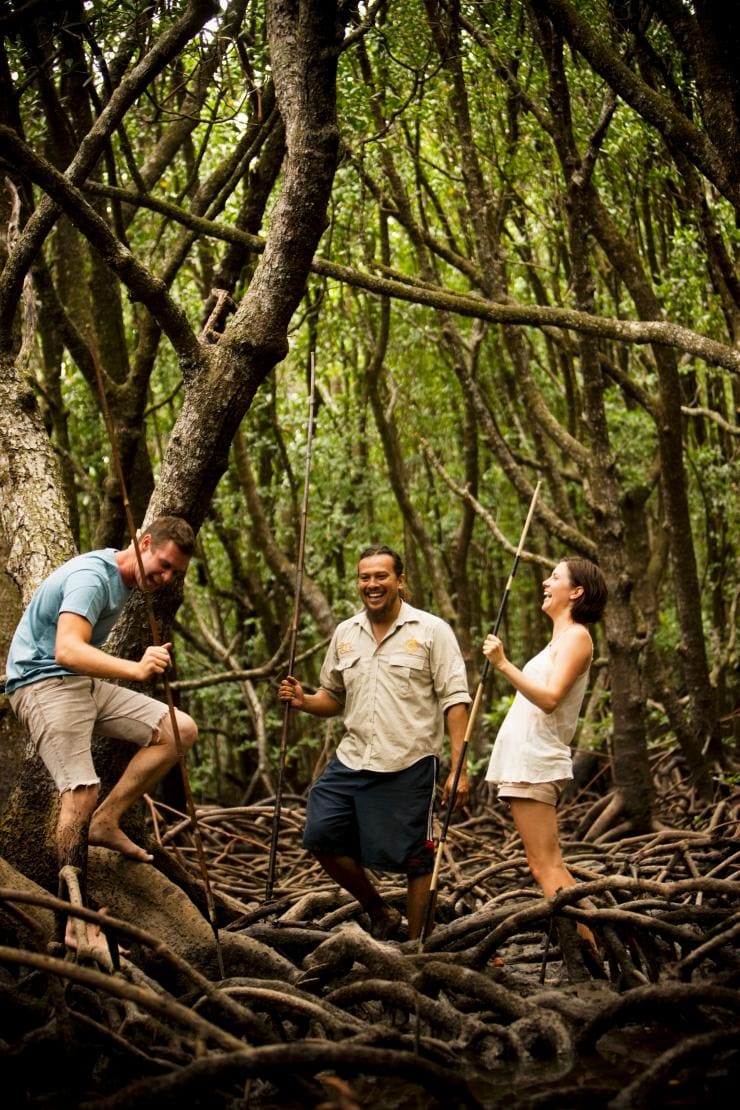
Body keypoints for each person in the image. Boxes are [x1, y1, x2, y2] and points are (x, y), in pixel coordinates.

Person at [278, 544, 471, 941]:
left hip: (409, 761)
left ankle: (418, 948)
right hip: (353, 760)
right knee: (319, 832)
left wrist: (460, 768)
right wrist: (303, 701)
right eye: (365, 577)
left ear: (400, 581)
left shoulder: (432, 631)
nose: (372, 584)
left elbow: (455, 700)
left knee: (418, 859)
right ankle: (377, 909)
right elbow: (332, 698)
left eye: (381, 576)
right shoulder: (346, 634)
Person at [5, 516, 199, 897]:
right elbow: (67, 649)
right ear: (144, 544)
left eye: (175, 573)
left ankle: (105, 822)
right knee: (81, 793)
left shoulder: (123, 579)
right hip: (40, 683)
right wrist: (136, 668)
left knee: (179, 729)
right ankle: (74, 915)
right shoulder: (92, 577)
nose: (166, 578)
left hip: (78, 684)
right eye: (164, 566)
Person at [483, 556, 607, 948]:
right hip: (527, 762)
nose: (545, 582)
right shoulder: (561, 638)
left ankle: (591, 954)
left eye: (555, 577)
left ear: (576, 592)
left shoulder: (577, 637)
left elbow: (551, 699)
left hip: (537, 764)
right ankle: (594, 948)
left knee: (545, 866)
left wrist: (503, 664)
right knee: (549, 865)